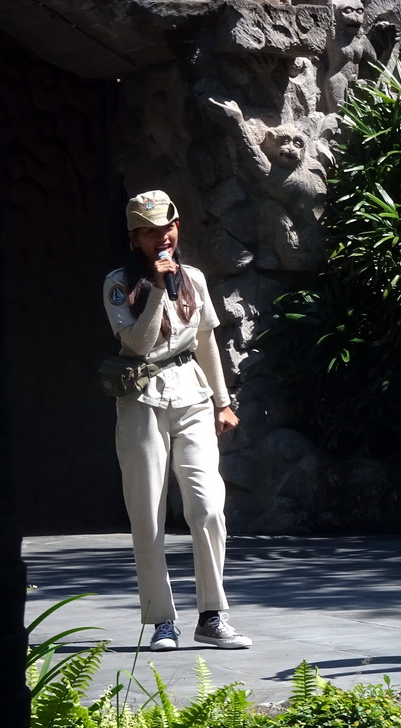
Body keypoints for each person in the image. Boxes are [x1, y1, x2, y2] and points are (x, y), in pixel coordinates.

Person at [103, 190, 252, 652]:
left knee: (207, 505)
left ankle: (213, 615)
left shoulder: (195, 279)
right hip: (142, 399)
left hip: (192, 396)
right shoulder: (116, 284)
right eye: (149, 232)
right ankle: (162, 620)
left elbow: (205, 341)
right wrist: (152, 288)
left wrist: (223, 403)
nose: (161, 238)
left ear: (177, 227)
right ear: (135, 238)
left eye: (166, 228)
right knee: (146, 513)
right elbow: (141, 344)